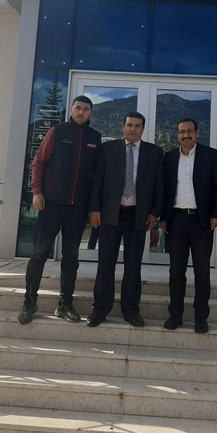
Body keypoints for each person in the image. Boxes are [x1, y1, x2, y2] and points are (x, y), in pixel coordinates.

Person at [18, 95, 101, 325]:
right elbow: (38, 162)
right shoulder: (57, 132)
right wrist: (37, 192)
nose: (81, 112)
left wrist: (94, 206)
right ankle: (29, 301)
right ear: (71, 110)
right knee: (39, 254)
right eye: (78, 108)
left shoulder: (95, 138)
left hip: (78, 208)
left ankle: (65, 304)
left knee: (71, 257)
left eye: (86, 109)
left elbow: (96, 175)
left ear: (90, 113)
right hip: (51, 204)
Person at [86, 111, 163, 328]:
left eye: (137, 126)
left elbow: (160, 185)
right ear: (123, 127)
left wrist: (155, 213)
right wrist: (94, 209)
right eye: (129, 125)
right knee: (105, 264)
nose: (133, 129)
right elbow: (97, 181)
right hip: (110, 215)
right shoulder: (108, 149)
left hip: (137, 216)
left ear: (143, 129)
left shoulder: (154, 152)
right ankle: (100, 310)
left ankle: (131, 311)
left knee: (133, 266)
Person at [161, 118, 217, 334]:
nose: (186, 135)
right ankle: (175, 315)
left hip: (201, 221)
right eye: (181, 131)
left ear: (197, 133)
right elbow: (164, 189)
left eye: (190, 131)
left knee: (202, 271)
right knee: (176, 271)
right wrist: (163, 217)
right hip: (176, 220)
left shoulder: (210, 155)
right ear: (177, 134)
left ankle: (201, 317)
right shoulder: (169, 157)